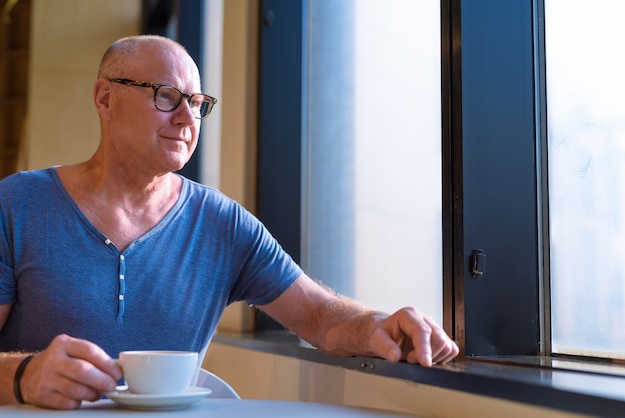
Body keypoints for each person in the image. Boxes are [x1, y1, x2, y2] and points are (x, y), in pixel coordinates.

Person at [0, 35, 458, 410]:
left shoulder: (223, 224)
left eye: (197, 103)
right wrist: (22, 375)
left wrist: (380, 324)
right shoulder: (16, 204)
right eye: (166, 96)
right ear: (105, 98)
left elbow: (318, 315)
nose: (186, 118)